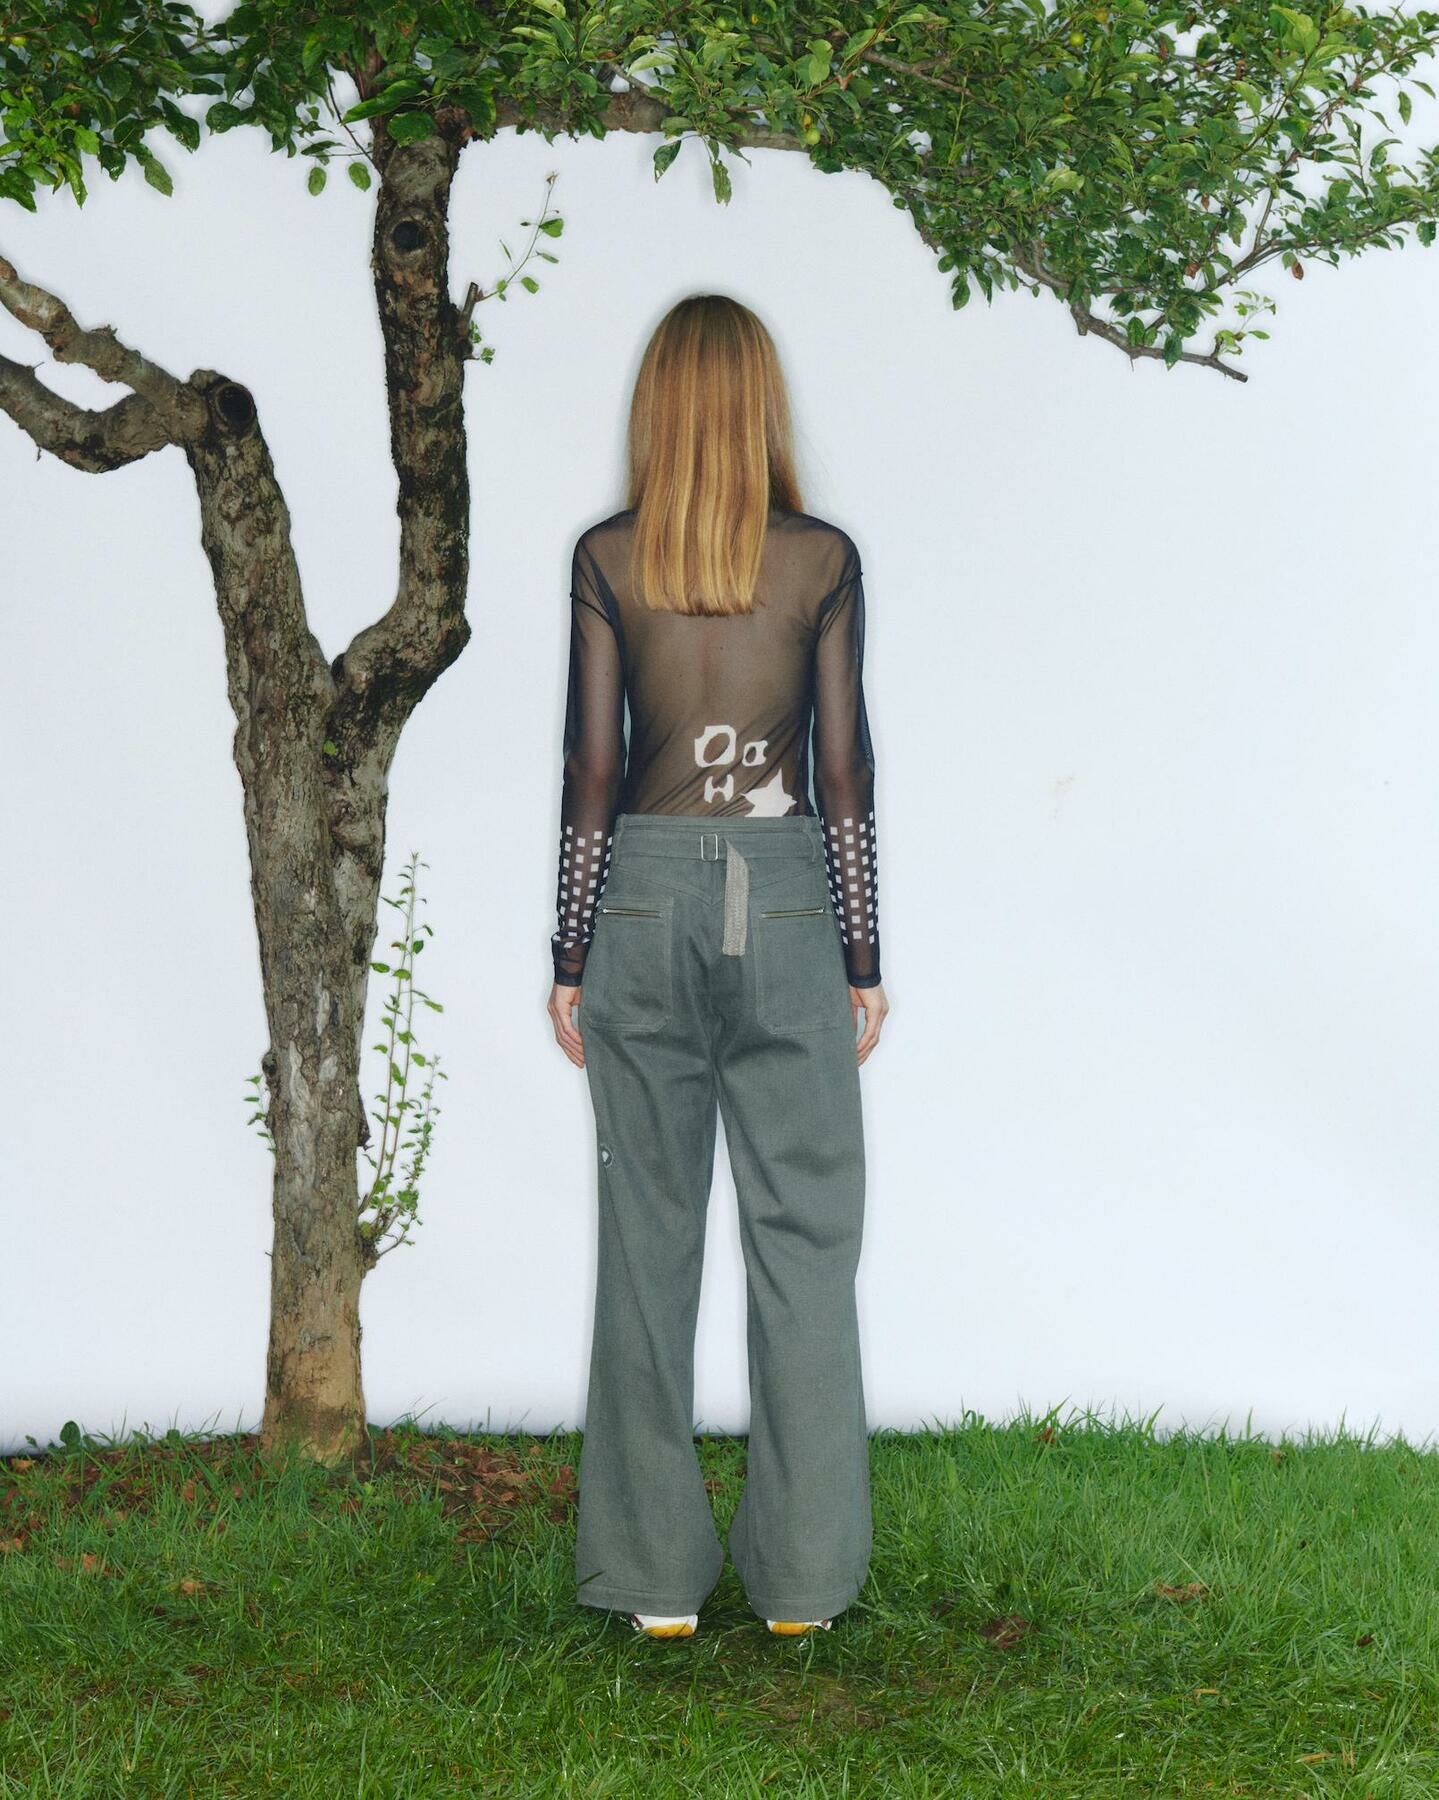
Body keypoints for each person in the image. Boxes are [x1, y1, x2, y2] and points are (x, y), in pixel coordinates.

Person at [545, 293, 889, 1641]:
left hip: (638, 898)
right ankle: (803, 1584)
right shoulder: (822, 561)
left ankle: (652, 1582)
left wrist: (571, 951)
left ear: (658, 409)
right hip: (789, 897)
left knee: (646, 1238)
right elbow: (843, 771)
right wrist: (861, 952)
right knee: (805, 1235)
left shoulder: (605, 557)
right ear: (761, 407)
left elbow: (591, 767)